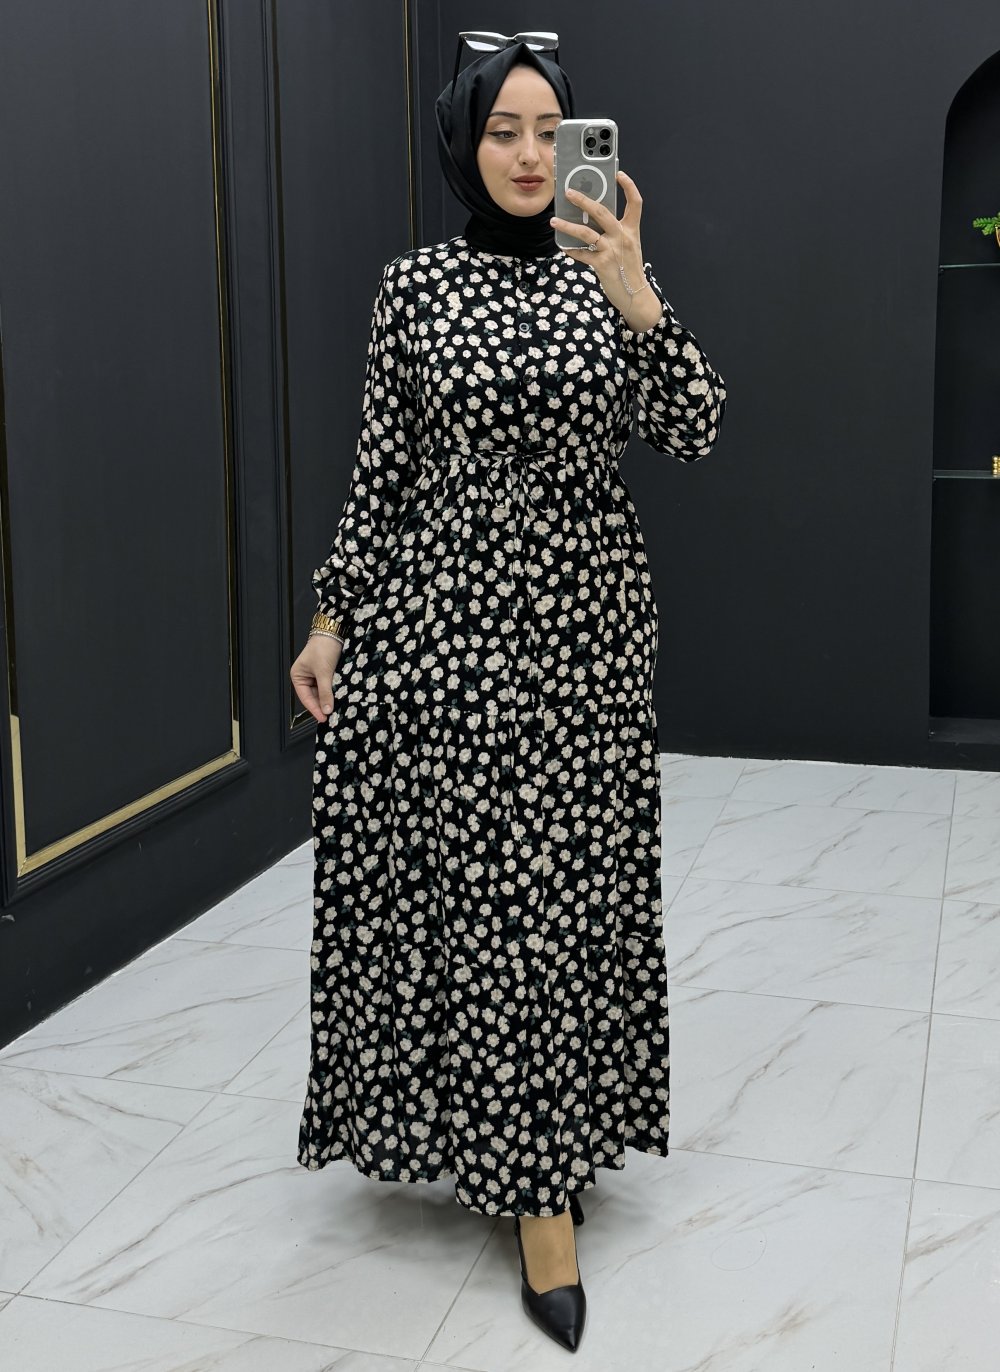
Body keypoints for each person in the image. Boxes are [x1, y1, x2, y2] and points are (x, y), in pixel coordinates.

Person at [290, 31, 727, 1354]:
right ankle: (533, 1191)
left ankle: (546, 1149)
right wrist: (331, 618)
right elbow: (383, 473)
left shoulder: (609, 271)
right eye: (504, 131)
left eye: (551, 130)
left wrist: (637, 289)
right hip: (447, 643)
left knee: (566, 902)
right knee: (484, 907)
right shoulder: (415, 287)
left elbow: (696, 428)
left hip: (586, 644)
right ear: (463, 144)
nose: (532, 155)